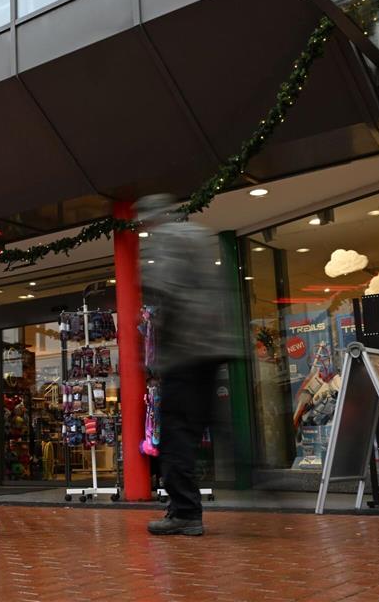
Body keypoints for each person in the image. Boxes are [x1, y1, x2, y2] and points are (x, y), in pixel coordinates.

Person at [137, 194, 241, 536]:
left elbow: (167, 291)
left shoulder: (166, 240)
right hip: (212, 348)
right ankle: (256, 477)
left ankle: (185, 511)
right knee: (207, 426)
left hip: (185, 353)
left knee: (176, 436)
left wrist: (154, 352)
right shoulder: (199, 235)